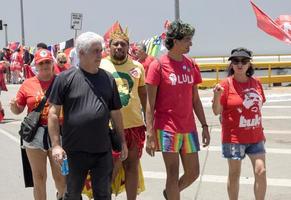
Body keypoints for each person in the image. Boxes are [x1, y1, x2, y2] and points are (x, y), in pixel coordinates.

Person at [48, 32, 128, 200]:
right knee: (73, 195)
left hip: (102, 151)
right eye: (95, 51)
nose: (100, 55)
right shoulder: (64, 79)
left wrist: (122, 142)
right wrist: (56, 145)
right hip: (74, 151)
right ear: (81, 53)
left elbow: (115, 113)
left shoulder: (108, 79)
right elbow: (53, 113)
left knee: (103, 195)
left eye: (101, 50)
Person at [146, 20, 210, 200]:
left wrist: (204, 126)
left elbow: (195, 99)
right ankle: (173, 194)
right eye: (188, 40)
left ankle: (170, 194)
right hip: (167, 128)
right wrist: (149, 133)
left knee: (193, 173)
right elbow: (150, 104)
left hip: (188, 128)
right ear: (175, 41)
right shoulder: (157, 65)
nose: (191, 43)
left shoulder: (191, 64)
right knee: (172, 173)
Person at [10, 49, 66, 200]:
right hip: (35, 135)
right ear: (36, 65)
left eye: (47, 62)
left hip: (58, 134)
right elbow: (18, 109)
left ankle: (61, 196)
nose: (45, 65)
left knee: (61, 178)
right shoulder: (28, 84)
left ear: (52, 63)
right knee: (39, 178)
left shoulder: (62, 81)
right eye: (41, 63)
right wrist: (14, 106)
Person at [212, 47, 266, 200]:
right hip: (234, 139)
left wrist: (262, 130)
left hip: (256, 137)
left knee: (261, 171)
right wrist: (217, 96)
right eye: (236, 61)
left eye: (244, 61)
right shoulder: (226, 84)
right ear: (231, 65)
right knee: (235, 174)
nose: (240, 64)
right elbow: (217, 111)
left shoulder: (257, 84)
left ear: (250, 64)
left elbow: (257, 110)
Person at [100, 28, 147, 200]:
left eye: (123, 44)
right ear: (109, 46)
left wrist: (149, 123)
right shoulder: (100, 65)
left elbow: (144, 99)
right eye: (116, 44)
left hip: (134, 125)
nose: (119, 47)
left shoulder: (138, 67)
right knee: (110, 168)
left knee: (132, 166)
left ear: (128, 47)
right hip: (109, 127)